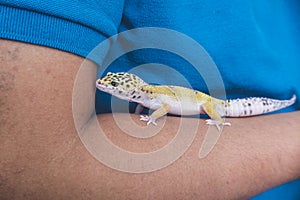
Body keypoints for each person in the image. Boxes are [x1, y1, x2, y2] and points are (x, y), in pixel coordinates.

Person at [1, 1, 299, 199]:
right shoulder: (151, 96)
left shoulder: (154, 98)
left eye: (115, 85)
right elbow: (34, 166)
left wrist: (151, 117)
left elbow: (163, 108)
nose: (108, 86)